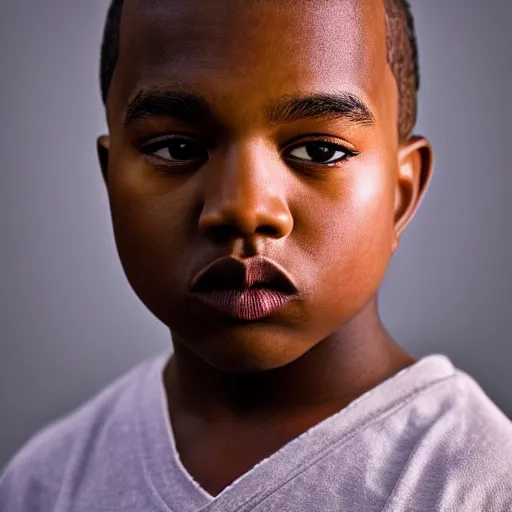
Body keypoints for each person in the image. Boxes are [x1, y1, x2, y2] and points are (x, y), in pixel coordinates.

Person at [1, 0, 511, 510]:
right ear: (110, 179)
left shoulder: (479, 483)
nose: (244, 210)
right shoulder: (48, 481)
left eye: (319, 151)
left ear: (400, 194)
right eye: (177, 148)